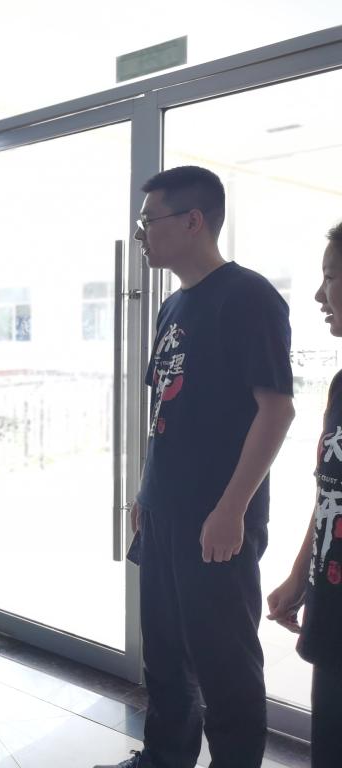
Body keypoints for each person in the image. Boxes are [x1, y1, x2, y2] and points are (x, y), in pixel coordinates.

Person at [96, 167, 295, 768]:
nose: (141, 234)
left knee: (225, 663)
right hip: (163, 512)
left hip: (216, 521)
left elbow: (277, 410)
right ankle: (165, 758)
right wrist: (145, 492)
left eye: (148, 221)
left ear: (193, 221)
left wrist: (231, 509)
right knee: (164, 653)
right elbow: (167, 409)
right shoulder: (173, 305)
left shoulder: (249, 298)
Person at [266, 221, 342, 768]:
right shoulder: (341, 385)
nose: (319, 294)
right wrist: (301, 576)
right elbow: (330, 494)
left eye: (330, 276)